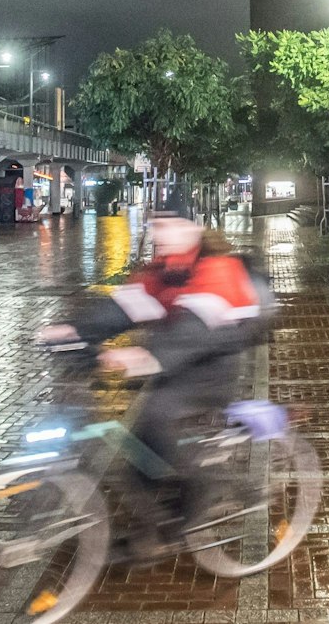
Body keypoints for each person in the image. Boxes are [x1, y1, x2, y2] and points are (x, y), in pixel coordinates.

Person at [35, 205, 265, 560]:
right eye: (155, 225)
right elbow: (122, 308)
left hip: (213, 367)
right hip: (177, 361)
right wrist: (74, 332)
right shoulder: (162, 270)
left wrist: (145, 358)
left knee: (157, 416)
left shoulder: (217, 268)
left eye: (166, 225)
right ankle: (155, 527)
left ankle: (205, 490)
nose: (157, 233)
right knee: (137, 443)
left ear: (192, 227)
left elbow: (194, 330)